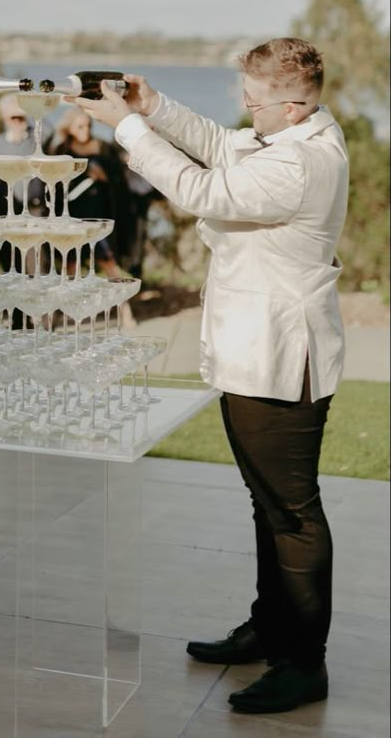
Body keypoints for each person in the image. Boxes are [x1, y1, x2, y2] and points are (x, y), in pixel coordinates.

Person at [74, 38, 348, 716]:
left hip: (280, 358)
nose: (243, 108)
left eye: (252, 99)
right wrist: (153, 105)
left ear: (291, 103)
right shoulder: (287, 129)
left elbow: (203, 186)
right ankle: (270, 626)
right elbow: (223, 145)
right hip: (256, 348)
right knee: (268, 502)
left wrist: (126, 128)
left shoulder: (302, 161)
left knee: (292, 511)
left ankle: (303, 662)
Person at [50, 106, 127, 280]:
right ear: (69, 128)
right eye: (80, 127)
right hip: (72, 215)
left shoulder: (103, 148)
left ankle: (124, 306)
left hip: (98, 215)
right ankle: (68, 305)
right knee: (71, 262)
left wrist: (104, 177)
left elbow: (118, 179)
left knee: (107, 259)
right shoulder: (62, 151)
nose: (85, 130)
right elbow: (53, 183)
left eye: (88, 126)